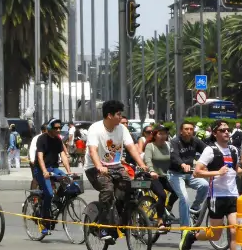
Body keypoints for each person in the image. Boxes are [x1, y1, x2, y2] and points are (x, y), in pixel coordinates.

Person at [180, 120, 242, 250]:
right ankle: (192, 236)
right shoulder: (210, 150)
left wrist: (241, 170)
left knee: (236, 231)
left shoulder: (234, 150)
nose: (227, 132)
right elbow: (197, 172)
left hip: (233, 195)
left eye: (228, 130)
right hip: (216, 196)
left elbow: (235, 169)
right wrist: (216, 173)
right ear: (215, 133)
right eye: (222, 130)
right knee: (215, 235)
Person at [85, 99, 151, 242]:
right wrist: (99, 166)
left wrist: (142, 164)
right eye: (119, 115)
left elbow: (131, 147)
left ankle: (120, 221)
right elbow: (92, 150)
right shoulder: (95, 129)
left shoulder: (122, 128)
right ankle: (102, 226)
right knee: (107, 190)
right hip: (95, 168)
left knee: (130, 188)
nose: (121, 118)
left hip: (116, 166)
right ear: (109, 115)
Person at [30, 119, 73, 237]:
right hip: (41, 170)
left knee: (68, 182)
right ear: (49, 128)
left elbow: (63, 155)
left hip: (54, 169)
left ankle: (56, 200)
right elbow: (39, 156)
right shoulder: (41, 139)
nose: (58, 130)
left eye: (60, 128)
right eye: (56, 128)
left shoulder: (58, 140)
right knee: (48, 193)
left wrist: (69, 172)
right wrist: (44, 171)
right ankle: (45, 221)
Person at [168, 121, 209, 231]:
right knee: (185, 198)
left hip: (190, 174)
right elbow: (174, 156)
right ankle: (185, 228)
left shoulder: (195, 141)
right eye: (186, 129)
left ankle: (194, 208)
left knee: (205, 185)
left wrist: (207, 163)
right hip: (176, 174)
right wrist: (182, 164)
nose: (189, 131)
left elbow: (207, 151)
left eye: (191, 129)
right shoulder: (175, 141)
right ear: (181, 131)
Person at [143, 124, 177, 228]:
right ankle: (160, 219)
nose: (163, 136)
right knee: (162, 195)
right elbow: (147, 160)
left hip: (165, 176)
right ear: (155, 135)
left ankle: (168, 207)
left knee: (178, 191)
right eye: (160, 133)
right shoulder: (150, 146)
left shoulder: (168, 145)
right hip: (152, 176)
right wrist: (152, 171)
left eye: (165, 133)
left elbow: (175, 158)